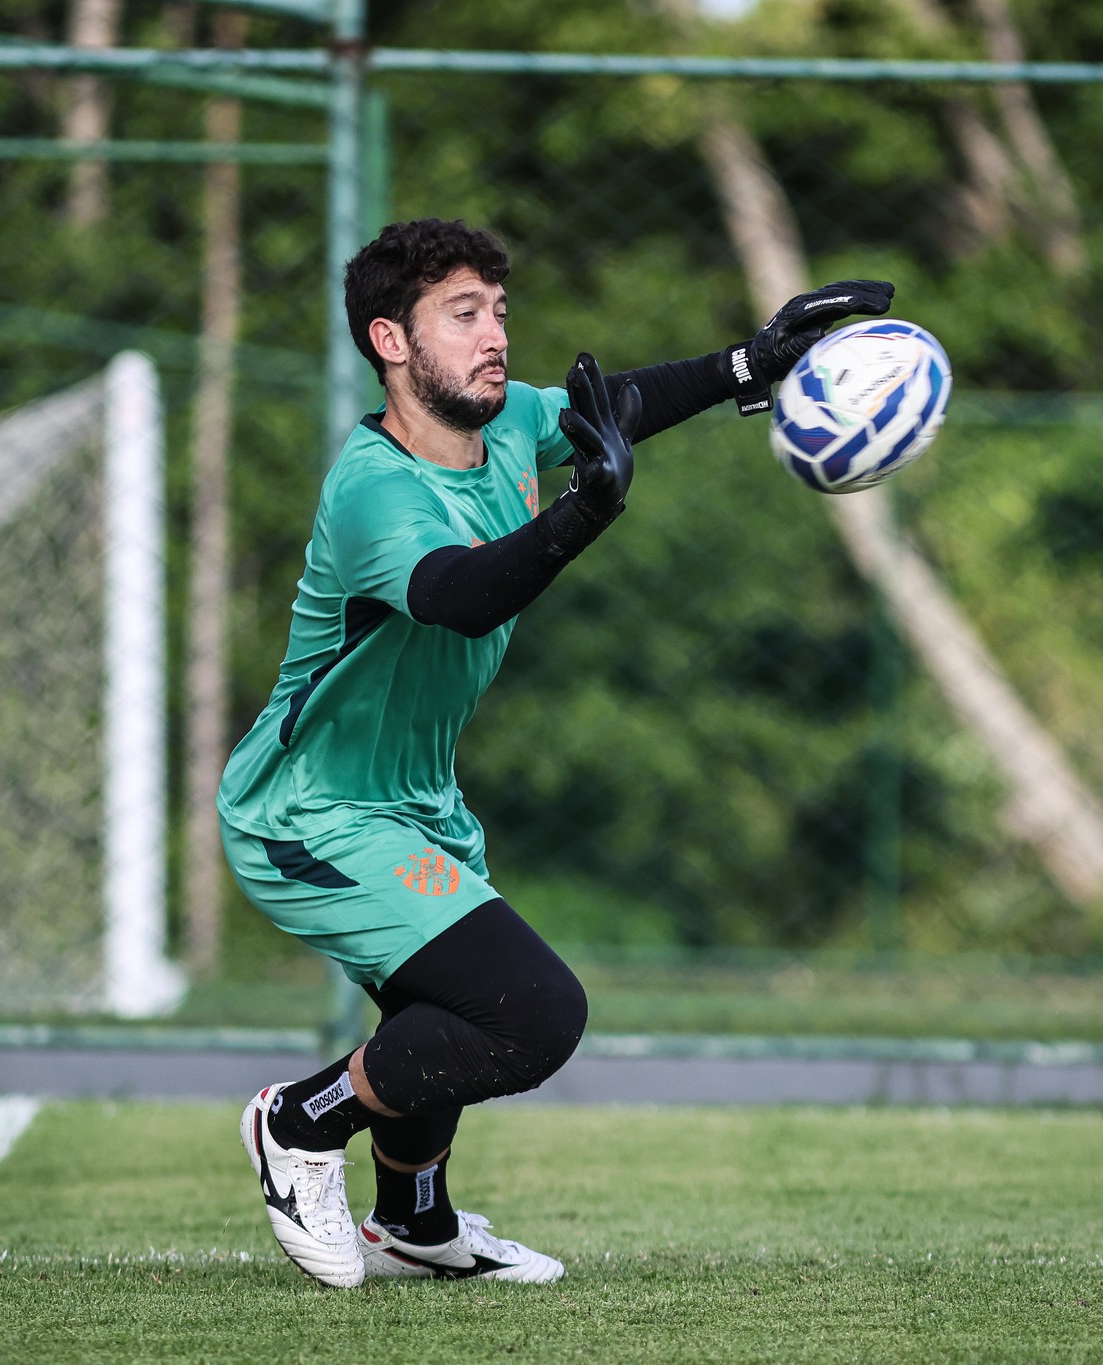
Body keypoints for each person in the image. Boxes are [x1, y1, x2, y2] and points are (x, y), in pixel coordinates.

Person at [218, 217, 892, 1286]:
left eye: (498, 309)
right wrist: (581, 514)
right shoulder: (373, 489)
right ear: (391, 342)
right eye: (462, 313)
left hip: (406, 803)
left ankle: (414, 1223)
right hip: (309, 812)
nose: (494, 334)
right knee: (531, 1013)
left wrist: (748, 363)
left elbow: (612, 405)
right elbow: (456, 598)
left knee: (443, 1013)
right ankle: (299, 1124)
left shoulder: (502, 427)